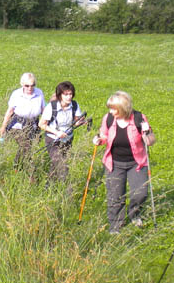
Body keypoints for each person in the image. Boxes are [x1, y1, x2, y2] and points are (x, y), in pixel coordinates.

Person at [93, 91, 156, 233]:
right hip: (114, 163)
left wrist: (147, 135)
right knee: (115, 195)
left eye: (114, 108)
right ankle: (115, 225)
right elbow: (104, 135)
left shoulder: (139, 118)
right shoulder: (108, 119)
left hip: (137, 162)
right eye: (110, 108)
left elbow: (151, 141)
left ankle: (134, 214)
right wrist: (99, 140)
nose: (111, 111)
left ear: (124, 108)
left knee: (140, 193)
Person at [38, 81, 85, 193]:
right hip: (53, 140)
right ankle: (68, 191)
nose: (69, 97)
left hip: (68, 140)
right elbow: (42, 124)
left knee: (55, 165)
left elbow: (77, 120)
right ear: (60, 95)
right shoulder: (51, 107)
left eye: (70, 94)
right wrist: (56, 132)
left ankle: (48, 188)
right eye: (66, 94)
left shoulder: (74, 105)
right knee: (62, 165)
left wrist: (81, 122)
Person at [0, 73, 45, 169]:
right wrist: (3, 126)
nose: (30, 88)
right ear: (22, 84)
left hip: (33, 124)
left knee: (28, 146)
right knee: (26, 145)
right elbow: (10, 111)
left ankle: (19, 166)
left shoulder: (39, 93)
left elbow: (43, 110)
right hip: (18, 125)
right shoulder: (16, 94)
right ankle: (23, 168)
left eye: (32, 85)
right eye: (27, 85)